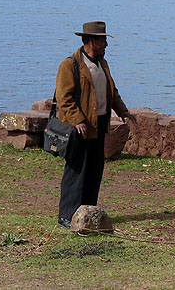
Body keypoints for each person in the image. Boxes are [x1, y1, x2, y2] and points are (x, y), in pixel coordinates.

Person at [55, 21, 136, 228]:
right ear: (92, 41)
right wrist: (78, 121)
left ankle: (88, 212)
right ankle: (67, 216)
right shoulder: (70, 65)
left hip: (99, 124)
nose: (106, 45)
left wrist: (123, 111)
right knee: (76, 171)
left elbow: (112, 90)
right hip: (80, 127)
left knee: (94, 168)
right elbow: (64, 98)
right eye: (103, 40)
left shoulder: (102, 64)